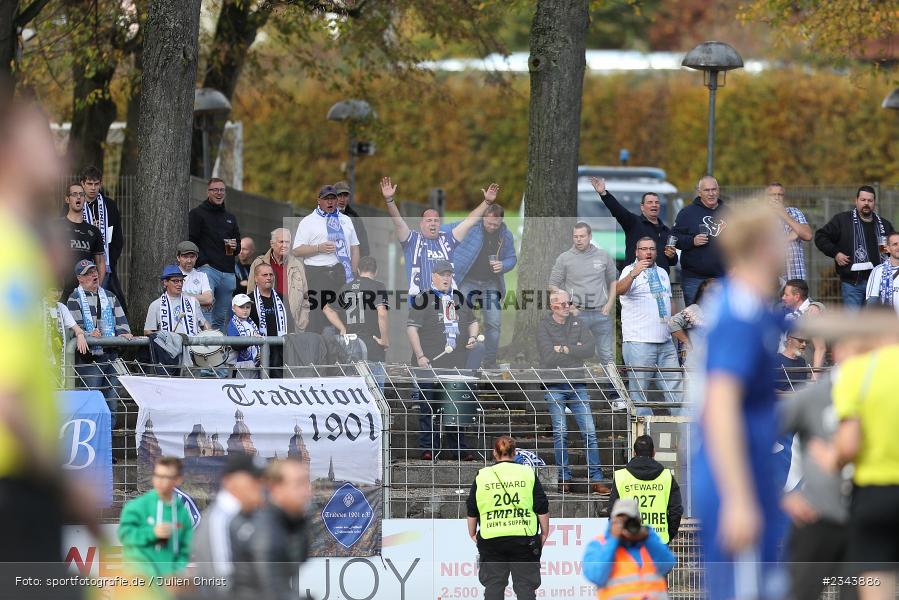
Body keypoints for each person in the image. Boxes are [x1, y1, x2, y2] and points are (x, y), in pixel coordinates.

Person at [0, 97, 92, 596]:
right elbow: (8, 396)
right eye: (45, 140)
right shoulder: (11, 249)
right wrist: (62, 483)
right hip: (16, 485)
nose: (62, 152)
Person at [690, 203, 790, 599]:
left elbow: (821, 323)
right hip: (735, 480)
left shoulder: (751, 305)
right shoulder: (739, 314)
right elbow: (720, 407)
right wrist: (738, 498)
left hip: (750, 474)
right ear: (763, 246)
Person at [777, 314, 876, 600]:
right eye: (857, 349)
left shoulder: (882, 396)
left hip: (864, 521)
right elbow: (755, 438)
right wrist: (780, 494)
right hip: (816, 519)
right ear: (840, 351)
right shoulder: (813, 397)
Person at [830, 319, 899, 600]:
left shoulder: (858, 371)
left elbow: (848, 445)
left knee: (876, 584)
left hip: (875, 491)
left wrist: (833, 459)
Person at [407, 260, 484, 461]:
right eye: (442, 275)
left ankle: (459, 449)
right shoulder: (423, 298)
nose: (446, 278)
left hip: (456, 364)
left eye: (449, 275)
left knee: (454, 407)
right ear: (433, 276)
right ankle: (428, 448)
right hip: (429, 364)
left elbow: (473, 322)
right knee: (428, 408)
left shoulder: (459, 298)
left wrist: (473, 337)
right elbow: (412, 329)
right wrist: (420, 356)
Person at [536, 290, 609, 494]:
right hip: (554, 384)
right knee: (560, 433)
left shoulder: (579, 323)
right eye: (563, 303)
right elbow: (548, 357)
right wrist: (574, 349)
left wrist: (563, 348)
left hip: (577, 384)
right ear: (553, 306)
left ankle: (597, 479)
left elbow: (590, 350)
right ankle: (564, 478)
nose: (567, 306)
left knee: (590, 432)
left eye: (569, 302)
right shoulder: (543, 326)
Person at [379, 176, 498, 299]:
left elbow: (469, 222)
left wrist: (487, 202)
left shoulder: (448, 239)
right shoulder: (412, 240)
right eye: (429, 220)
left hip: (446, 302)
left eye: (436, 221)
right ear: (421, 224)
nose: (433, 223)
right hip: (420, 303)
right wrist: (389, 200)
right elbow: (398, 222)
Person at [466, 436, 549, 600]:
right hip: (524, 538)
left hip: (491, 538)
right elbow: (541, 505)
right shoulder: (527, 473)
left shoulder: (482, 475)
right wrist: (544, 533)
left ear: (494, 453)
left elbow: (472, 508)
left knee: (494, 585)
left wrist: (472, 533)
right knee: (525, 587)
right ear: (515, 453)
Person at [230, 458, 312, 600]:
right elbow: (269, 590)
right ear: (276, 488)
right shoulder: (265, 530)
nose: (307, 492)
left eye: (306, 482)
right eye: (299, 484)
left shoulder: (287, 521)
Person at [616, 237, 681, 415]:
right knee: (639, 392)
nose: (648, 252)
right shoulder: (629, 270)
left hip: (665, 341)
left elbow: (669, 301)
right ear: (636, 252)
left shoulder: (662, 272)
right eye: (644, 249)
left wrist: (675, 328)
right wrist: (633, 274)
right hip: (639, 341)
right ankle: (644, 432)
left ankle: (683, 428)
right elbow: (618, 290)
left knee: (676, 390)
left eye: (651, 249)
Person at [66, 259, 132, 422]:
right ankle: (90, 432)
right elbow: (74, 329)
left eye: (94, 271)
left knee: (112, 400)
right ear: (79, 278)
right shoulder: (74, 298)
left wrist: (124, 334)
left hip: (112, 355)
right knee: (91, 398)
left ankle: (110, 432)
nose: (93, 275)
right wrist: (89, 334)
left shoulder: (110, 296)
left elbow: (122, 324)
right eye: (88, 273)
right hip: (90, 358)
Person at [190, 454, 266, 596]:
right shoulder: (221, 519)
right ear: (229, 481)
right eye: (253, 479)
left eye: (261, 479)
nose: (259, 485)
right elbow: (223, 583)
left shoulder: (246, 515)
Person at [452, 203, 517, 369]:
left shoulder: (506, 235)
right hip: (468, 281)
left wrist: (503, 265)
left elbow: (512, 258)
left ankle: (489, 362)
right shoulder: (472, 228)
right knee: (460, 319)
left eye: (496, 224)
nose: (492, 227)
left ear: (501, 221)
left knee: (494, 323)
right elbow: (450, 231)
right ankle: (459, 359)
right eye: (489, 223)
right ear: (483, 218)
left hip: (490, 283)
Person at [292, 185, 360, 333]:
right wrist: (318, 248)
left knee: (344, 318)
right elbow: (296, 250)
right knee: (317, 319)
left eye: (333, 198)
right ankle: (317, 347)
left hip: (342, 274)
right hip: (317, 275)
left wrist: (353, 273)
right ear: (319, 200)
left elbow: (355, 248)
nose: (330, 202)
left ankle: (344, 345)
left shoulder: (346, 220)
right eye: (326, 199)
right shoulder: (308, 221)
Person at [548, 222, 617, 364]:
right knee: (574, 353)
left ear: (590, 236)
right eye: (575, 236)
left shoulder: (603, 256)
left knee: (607, 355)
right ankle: (575, 379)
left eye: (582, 236)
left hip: (601, 313)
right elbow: (552, 285)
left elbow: (613, 281)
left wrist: (609, 304)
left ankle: (611, 379)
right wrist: (569, 305)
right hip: (577, 314)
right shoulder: (564, 258)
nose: (578, 240)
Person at [814, 185, 895, 307]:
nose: (866, 203)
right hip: (853, 284)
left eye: (870, 200)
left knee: (875, 318)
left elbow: (890, 249)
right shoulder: (842, 220)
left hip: (879, 284)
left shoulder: (884, 225)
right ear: (856, 201)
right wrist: (835, 253)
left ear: (874, 203)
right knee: (853, 319)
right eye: (863, 200)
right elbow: (821, 236)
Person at [582, 498, 676, 598]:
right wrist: (613, 539)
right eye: (620, 521)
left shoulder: (648, 542)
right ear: (612, 521)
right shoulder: (599, 544)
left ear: (638, 522)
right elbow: (597, 576)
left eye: (629, 521)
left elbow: (667, 565)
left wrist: (647, 536)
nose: (624, 526)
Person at [118, 456, 194, 577]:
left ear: (178, 480)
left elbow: (185, 549)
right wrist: (152, 533)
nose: (160, 481)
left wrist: (176, 572)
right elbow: (125, 535)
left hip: (169, 582)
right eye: (157, 475)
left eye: (166, 477)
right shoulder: (136, 506)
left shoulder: (182, 512)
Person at [590, 176, 678, 272]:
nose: (654, 205)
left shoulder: (666, 231)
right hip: (635, 277)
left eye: (657, 202)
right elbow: (617, 210)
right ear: (642, 207)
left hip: (659, 279)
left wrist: (672, 256)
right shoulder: (634, 223)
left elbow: (672, 261)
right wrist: (604, 194)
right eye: (650, 202)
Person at [188, 177, 242, 330]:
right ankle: (204, 345)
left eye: (222, 190)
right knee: (206, 315)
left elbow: (238, 246)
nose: (219, 193)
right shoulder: (197, 214)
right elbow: (191, 241)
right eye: (215, 190)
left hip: (228, 273)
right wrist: (203, 262)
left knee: (221, 318)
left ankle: (218, 345)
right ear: (208, 192)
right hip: (208, 271)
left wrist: (235, 246)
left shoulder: (230, 218)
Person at [609, 435, 683, 544]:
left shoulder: (621, 477)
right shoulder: (666, 476)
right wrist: (669, 535)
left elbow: (612, 511)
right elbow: (676, 510)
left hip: (630, 540)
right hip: (658, 540)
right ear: (653, 453)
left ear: (634, 453)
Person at [671, 175, 727, 306]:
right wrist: (692, 241)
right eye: (707, 190)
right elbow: (673, 238)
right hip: (694, 279)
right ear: (699, 192)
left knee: (721, 317)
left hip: (723, 278)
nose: (711, 193)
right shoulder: (687, 213)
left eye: (714, 189)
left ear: (718, 190)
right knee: (695, 316)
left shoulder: (728, 213)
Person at [323, 255, 390, 362]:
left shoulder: (346, 288)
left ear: (358, 270)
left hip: (351, 344)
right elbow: (382, 313)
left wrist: (342, 328)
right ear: (376, 271)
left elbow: (327, 309)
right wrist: (384, 339)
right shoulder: (379, 286)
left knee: (352, 372)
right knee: (374, 373)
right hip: (372, 344)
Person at [80, 165, 126, 311]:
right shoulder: (75, 204)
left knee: (105, 303)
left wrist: (110, 260)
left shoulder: (110, 206)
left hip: (105, 265)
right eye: (89, 184)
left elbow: (118, 238)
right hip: (81, 264)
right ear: (82, 184)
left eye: (96, 184)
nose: (93, 188)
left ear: (101, 184)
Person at [145, 264, 211, 365]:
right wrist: (168, 337)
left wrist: (211, 334)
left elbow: (203, 323)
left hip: (193, 354)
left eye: (181, 281)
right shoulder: (155, 305)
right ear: (165, 282)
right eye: (175, 281)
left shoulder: (193, 301)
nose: (179, 284)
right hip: (168, 356)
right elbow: (148, 331)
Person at [249, 227, 309, 331]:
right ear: (272, 243)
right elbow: (250, 294)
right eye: (281, 242)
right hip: (265, 323)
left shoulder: (297, 265)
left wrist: (303, 321)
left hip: (292, 324)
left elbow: (305, 297)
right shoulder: (258, 263)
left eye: (287, 242)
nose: (285, 245)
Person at [57, 182, 105, 301]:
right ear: (67, 199)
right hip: (60, 291)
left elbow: (100, 262)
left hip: (85, 291)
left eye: (81, 194)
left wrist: (96, 287)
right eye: (74, 194)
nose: (78, 197)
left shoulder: (94, 231)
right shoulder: (57, 226)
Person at [767, 183, 812, 282]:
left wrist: (784, 214)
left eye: (780, 195)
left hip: (795, 275)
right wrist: (790, 236)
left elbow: (807, 235)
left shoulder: (795, 212)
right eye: (773, 195)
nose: (776, 198)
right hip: (772, 278)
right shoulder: (760, 216)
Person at [249, 263, 289, 374]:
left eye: (271, 275)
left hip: (281, 351)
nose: (269, 278)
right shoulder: (249, 300)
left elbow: (290, 323)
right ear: (256, 278)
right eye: (265, 275)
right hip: (258, 352)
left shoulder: (282, 298)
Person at [780, 278, 826, 369]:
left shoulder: (811, 313)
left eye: (786, 295)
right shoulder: (785, 311)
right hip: (785, 368)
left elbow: (820, 348)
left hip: (804, 370)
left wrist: (815, 375)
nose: (783, 298)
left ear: (797, 296)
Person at [668, 278, 715, 365]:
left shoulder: (725, 313)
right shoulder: (695, 309)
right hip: (695, 363)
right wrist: (687, 342)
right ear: (702, 295)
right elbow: (672, 323)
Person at [226, 294, 263, 378]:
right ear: (233, 308)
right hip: (237, 367)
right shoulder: (232, 324)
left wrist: (261, 353)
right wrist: (252, 340)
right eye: (241, 307)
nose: (245, 310)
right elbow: (235, 345)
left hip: (254, 365)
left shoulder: (252, 323)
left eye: (248, 307)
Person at [865, 230, 899, 314]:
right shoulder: (878, 271)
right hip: (887, 320)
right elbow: (872, 301)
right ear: (887, 249)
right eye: (895, 244)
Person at [177, 240, 214, 316]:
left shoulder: (202, 275)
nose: (189, 260)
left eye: (192, 257)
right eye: (185, 257)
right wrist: (200, 299)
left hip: (196, 318)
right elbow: (172, 297)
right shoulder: (172, 274)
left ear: (196, 257)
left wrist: (182, 295)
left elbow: (208, 299)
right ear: (178, 257)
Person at [335, 180, 370, 258]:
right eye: (339, 195)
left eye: (345, 196)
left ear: (348, 198)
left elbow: (364, 247)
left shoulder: (355, 219)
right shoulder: (323, 216)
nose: (342, 199)